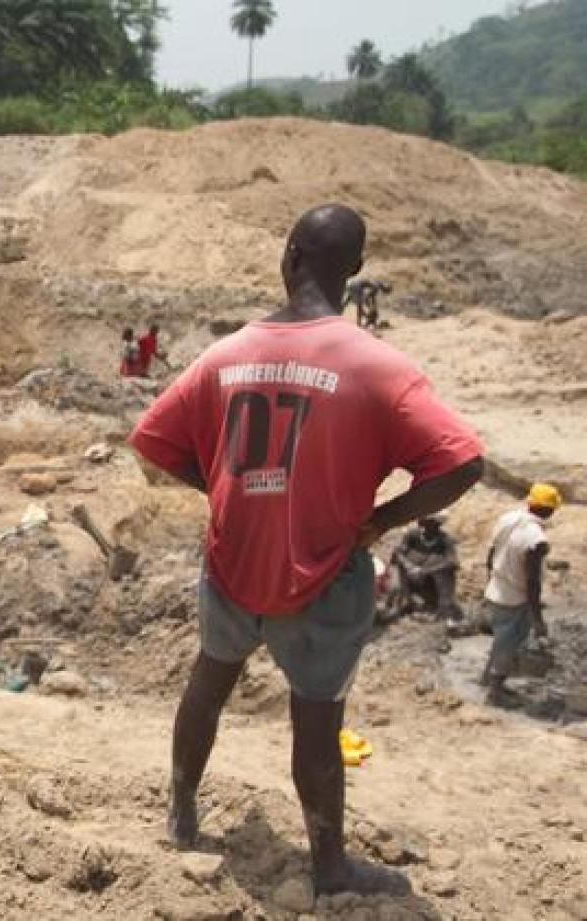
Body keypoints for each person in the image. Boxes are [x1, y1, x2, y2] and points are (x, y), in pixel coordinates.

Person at [129, 204, 483, 899]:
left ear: (288, 256)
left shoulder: (224, 354)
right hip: (321, 571)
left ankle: (180, 813)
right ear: (354, 274)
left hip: (233, 562)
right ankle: (327, 865)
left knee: (209, 682)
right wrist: (382, 519)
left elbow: (153, 437)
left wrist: (224, 485)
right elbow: (463, 463)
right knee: (316, 721)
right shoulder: (377, 366)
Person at [479, 483, 559, 707]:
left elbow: (491, 554)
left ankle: (488, 678)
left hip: (496, 588)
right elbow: (532, 583)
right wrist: (538, 619)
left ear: (530, 502)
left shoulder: (507, 519)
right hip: (514, 597)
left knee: (500, 638)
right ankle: (495, 693)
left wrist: (490, 582)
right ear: (551, 510)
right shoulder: (537, 541)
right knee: (509, 643)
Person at [383, 515, 462, 623]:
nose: (430, 526)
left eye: (434, 523)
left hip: (430, 579)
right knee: (395, 583)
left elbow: (452, 561)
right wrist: (408, 565)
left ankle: (445, 611)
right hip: (408, 574)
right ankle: (396, 607)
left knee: (445, 573)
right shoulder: (412, 535)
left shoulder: (445, 540)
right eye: (427, 523)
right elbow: (398, 552)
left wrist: (424, 570)